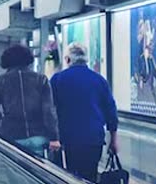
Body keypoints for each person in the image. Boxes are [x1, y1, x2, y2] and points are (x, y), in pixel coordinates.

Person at [50, 43, 119, 181]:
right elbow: (111, 112)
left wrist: (53, 137)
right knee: (90, 176)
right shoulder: (99, 80)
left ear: (68, 60)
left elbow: (50, 110)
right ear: (86, 59)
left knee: (69, 176)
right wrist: (114, 140)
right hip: (94, 140)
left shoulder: (58, 79)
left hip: (69, 140)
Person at [0, 44, 59, 158]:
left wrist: (0, 121)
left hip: (11, 135)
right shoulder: (41, 79)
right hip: (38, 136)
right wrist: (54, 137)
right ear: (28, 60)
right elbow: (48, 111)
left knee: (13, 171)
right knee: (37, 172)